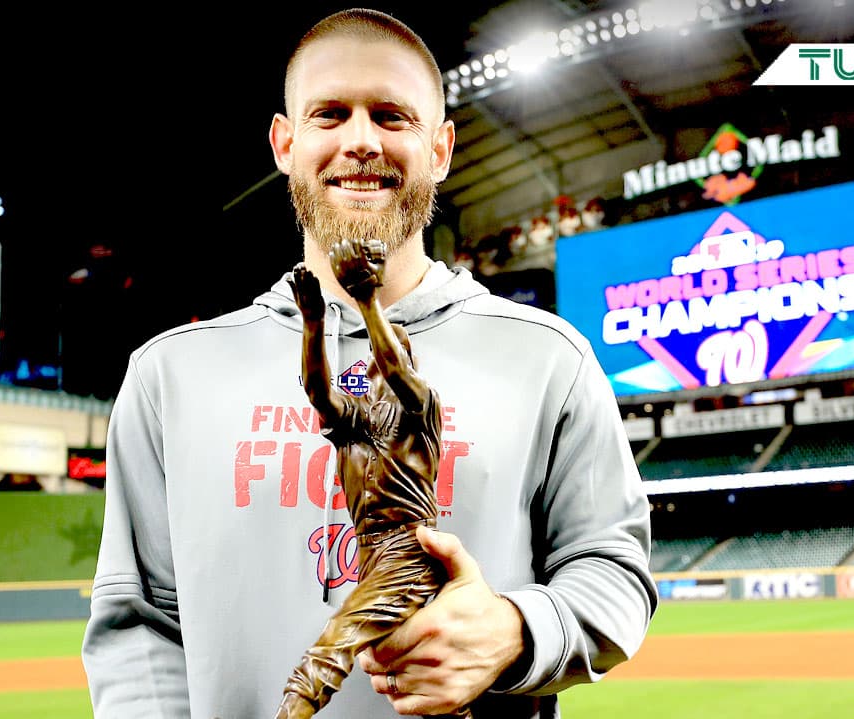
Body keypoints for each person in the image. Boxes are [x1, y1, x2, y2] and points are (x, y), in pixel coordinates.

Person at [82, 8, 656, 719]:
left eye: (391, 116)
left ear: (440, 149)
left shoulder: (549, 358)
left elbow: (614, 572)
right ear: (285, 143)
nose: (360, 140)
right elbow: (140, 625)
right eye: (329, 114)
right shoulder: (170, 376)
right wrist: (320, 315)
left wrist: (516, 628)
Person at [277, 238, 451, 718]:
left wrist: (367, 299)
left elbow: (395, 366)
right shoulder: (357, 421)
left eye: (386, 358)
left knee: (328, 652)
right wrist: (313, 323)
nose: (376, 367)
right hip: (371, 554)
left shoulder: (421, 409)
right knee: (430, 683)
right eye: (372, 362)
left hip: (409, 549)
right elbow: (318, 391)